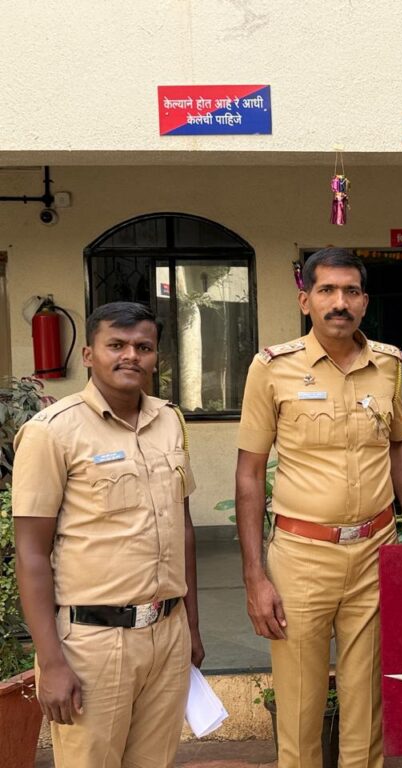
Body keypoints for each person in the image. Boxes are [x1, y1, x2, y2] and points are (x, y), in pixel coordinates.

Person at [235, 247, 402, 768]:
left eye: (351, 291)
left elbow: (398, 443)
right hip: (302, 556)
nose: (339, 302)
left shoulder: (388, 364)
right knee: (300, 705)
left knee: (366, 701)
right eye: (326, 290)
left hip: (374, 550)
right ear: (305, 300)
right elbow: (249, 474)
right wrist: (255, 575)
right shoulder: (272, 369)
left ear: (365, 301)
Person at [13, 301, 203, 768]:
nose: (130, 356)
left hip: (168, 634)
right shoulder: (51, 432)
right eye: (116, 345)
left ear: (156, 356)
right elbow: (31, 553)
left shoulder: (169, 421)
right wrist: (51, 663)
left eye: (143, 347)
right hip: (92, 644)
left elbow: (183, 528)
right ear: (88, 354)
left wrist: (191, 629)